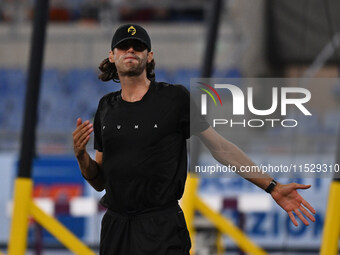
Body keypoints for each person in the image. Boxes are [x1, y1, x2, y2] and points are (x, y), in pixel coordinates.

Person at [72, 24, 316, 255]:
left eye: (138, 46)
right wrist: (82, 156)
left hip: (161, 226)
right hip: (116, 228)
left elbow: (221, 148)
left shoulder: (175, 98)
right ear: (112, 56)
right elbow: (99, 181)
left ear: (150, 56)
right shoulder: (106, 107)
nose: (131, 50)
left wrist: (271, 186)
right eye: (124, 46)